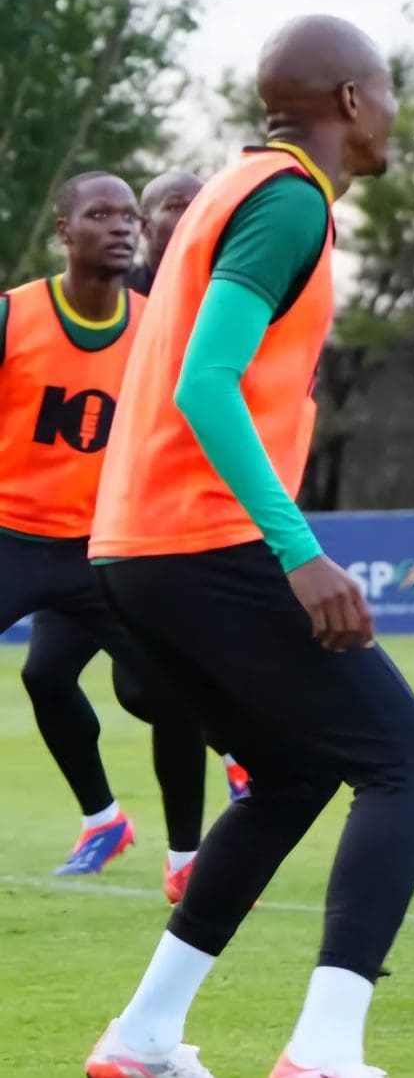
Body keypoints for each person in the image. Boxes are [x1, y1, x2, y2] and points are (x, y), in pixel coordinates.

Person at [83, 15, 414, 1078]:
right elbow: (206, 383)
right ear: (349, 100)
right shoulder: (287, 199)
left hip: (140, 548)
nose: (392, 113)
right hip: (204, 542)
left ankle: (144, 1037)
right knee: (411, 764)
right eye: (386, 91)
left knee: (292, 773)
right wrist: (299, 550)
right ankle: (325, 1052)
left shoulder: (228, 190)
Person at [0, 171, 211, 903]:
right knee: (46, 677)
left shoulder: (161, 326)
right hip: (13, 537)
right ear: (65, 232)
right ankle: (105, 819)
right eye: (100, 214)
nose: (121, 226)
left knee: (172, 688)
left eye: (129, 215)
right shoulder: (11, 316)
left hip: (108, 547)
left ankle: (187, 859)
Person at [125, 170, 204, 295]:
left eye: (201, 206)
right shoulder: (118, 294)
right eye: (175, 207)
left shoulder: (225, 289)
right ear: (144, 226)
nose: (193, 215)